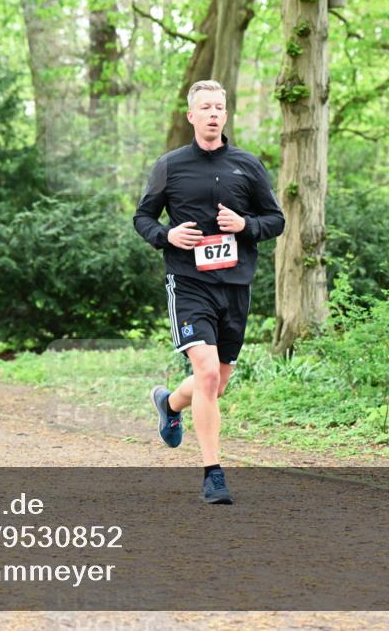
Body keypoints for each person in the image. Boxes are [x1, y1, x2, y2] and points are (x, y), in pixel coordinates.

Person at [133, 80, 285, 504]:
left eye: (220, 106)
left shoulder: (248, 166)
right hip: (189, 283)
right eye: (206, 107)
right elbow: (142, 217)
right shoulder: (170, 165)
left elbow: (276, 219)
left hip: (235, 285)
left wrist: (246, 226)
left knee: (214, 385)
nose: (214, 113)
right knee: (206, 372)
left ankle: (169, 404)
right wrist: (167, 235)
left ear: (225, 115)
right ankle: (213, 474)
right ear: (192, 116)